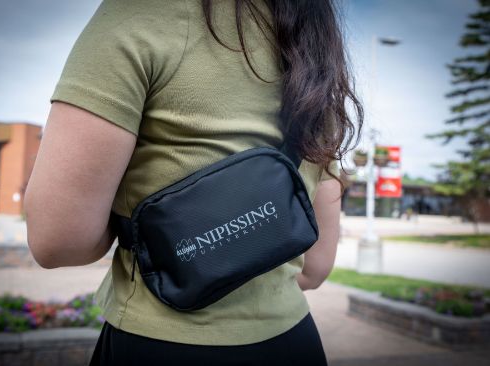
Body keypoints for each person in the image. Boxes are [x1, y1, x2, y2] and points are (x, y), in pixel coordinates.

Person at [24, 0, 363, 364]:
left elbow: (57, 241)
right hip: (295, 343)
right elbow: (315, 267)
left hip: (159, 345)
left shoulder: (141, 13)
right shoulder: (315, 50)